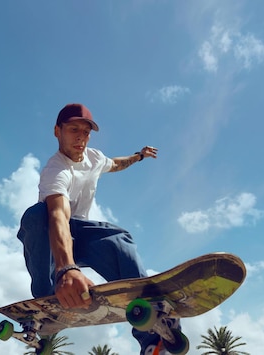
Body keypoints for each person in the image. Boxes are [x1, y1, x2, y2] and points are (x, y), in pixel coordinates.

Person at [16, 103, 173, 354]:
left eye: (86, 132)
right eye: (73, 129)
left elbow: (116, 164)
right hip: (51, 238)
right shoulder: (55, 170)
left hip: (83, 235)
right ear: (57, 131)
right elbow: (58, 215)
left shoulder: (95, 158)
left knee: (119, 239)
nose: (81, 137)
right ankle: (46, 299)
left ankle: (153, 336)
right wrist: (66, 269)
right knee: (37, 215)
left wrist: (139, 156)